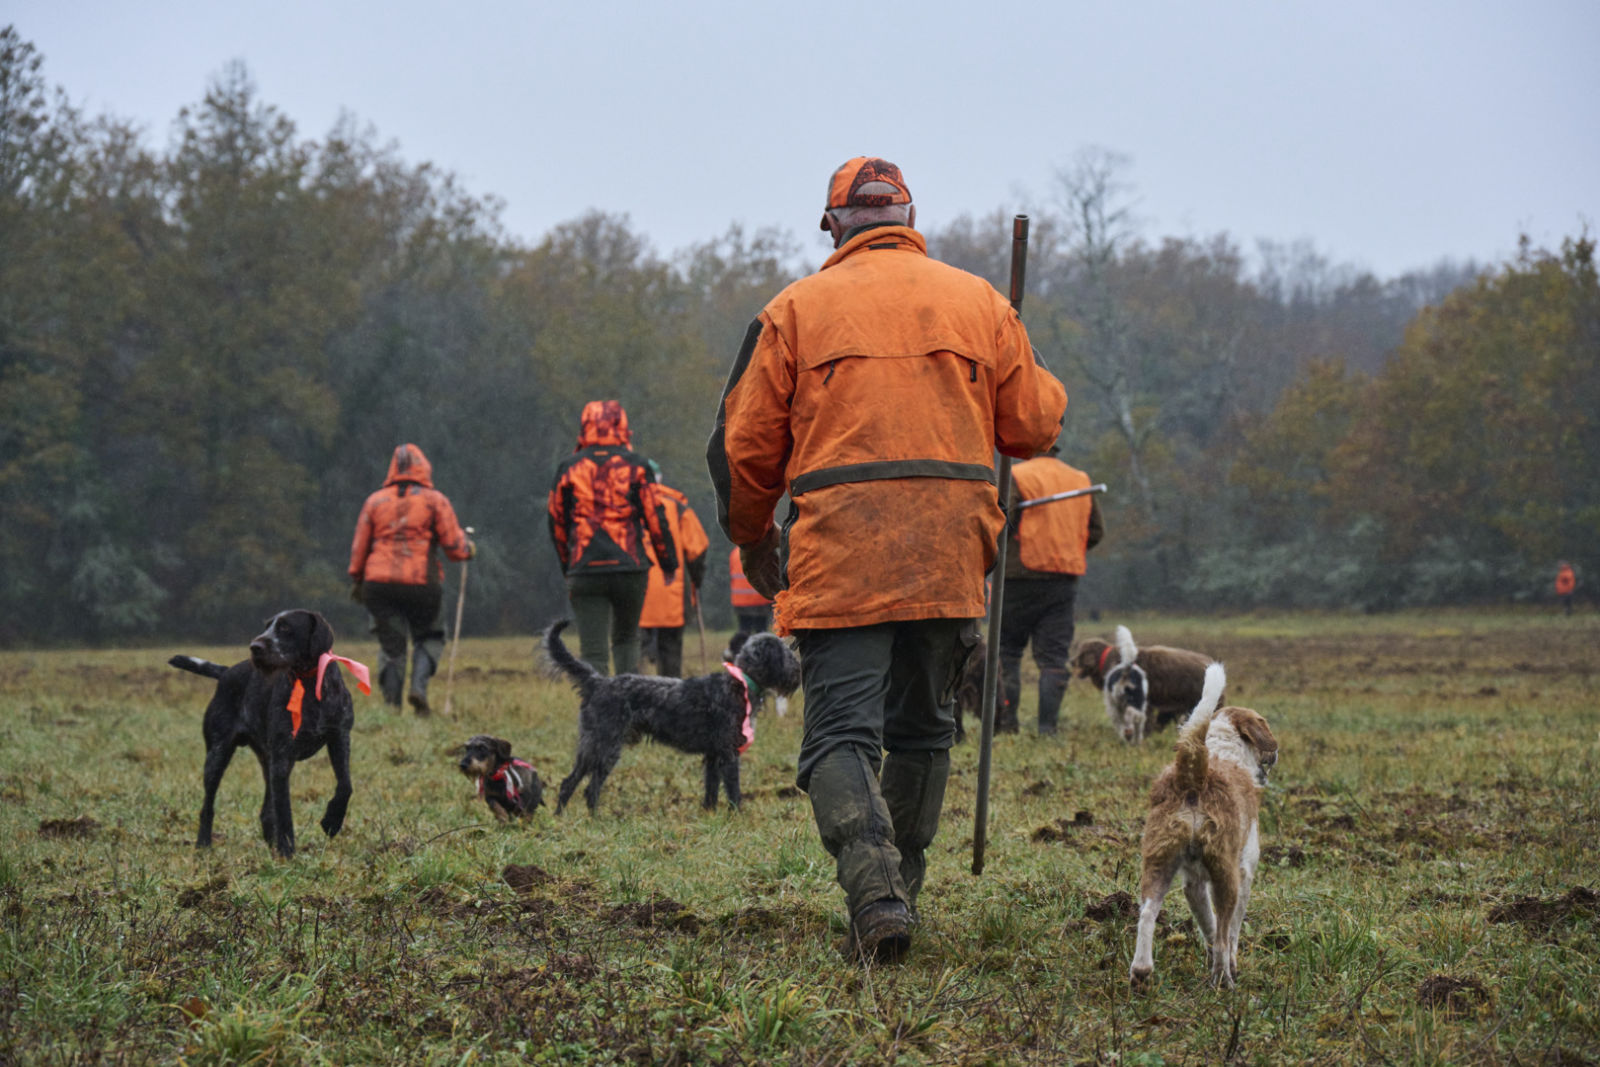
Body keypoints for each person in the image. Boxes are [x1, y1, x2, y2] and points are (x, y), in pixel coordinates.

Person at [707, 157, 1066, 962]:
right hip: (949, 554)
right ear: (910, 218)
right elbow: (1036, 427)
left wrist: (752, 533)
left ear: (833, 224)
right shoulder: (981, 303)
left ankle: (875, 893)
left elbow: (747, 446)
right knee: (924, 728)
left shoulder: (794, 311)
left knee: (839, 734)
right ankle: (900, 884)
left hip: (844, 554)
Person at [548, 400, 676, 675]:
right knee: (626, 639)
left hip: (585, 568)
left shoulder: (569, 467)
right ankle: (630, 709)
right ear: (624, 427)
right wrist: (668, 564)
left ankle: (598, 713)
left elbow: (557, 522)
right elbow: (656, 519)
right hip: (630, 568)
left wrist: (567, 566)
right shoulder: (638, 467)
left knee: (593, 651)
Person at [348, 443, 475, 715]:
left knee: (392, 647)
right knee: (429, 635)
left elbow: (359, 549)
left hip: (379, 585)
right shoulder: (434, 500)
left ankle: (392, 707)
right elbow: (455, 548)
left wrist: (357, 577)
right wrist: (469, 548)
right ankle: (418, 687)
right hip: (421, 584)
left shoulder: (375, 501)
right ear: (424, 468)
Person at [997, 448, 1104, 736]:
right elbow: (1095, 532)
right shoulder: (1080, 479)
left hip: (1017, 580)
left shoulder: (1016, 475)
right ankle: (1047, 729)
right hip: (1062, 581)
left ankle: (1007, 726)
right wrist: (1066, 548)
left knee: (1007, 652)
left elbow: (1000, 522)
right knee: (1054, 658)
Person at [638, 465, 710, 678]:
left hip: (635, 594)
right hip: (671, 594)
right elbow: (698, 550)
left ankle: (632, 700)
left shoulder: (625, 507)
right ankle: (669, 701)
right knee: (669, 652)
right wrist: (696, 581)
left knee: (633, 651)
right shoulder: (678, 509)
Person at [728, 545, 774, 636]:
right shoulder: (762, 550)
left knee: (744, 630)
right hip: (761, 599)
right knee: (761, 630)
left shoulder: (734, 553)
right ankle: (761, 649)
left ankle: (743, 648)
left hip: (741, 600)